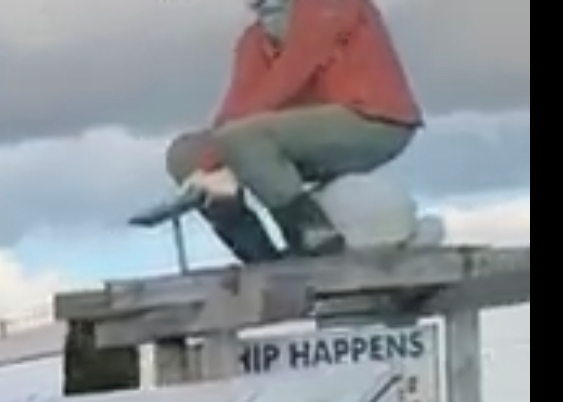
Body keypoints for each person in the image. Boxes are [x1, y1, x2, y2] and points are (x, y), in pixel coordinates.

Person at [164, 0, 423, 262]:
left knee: (242, 138)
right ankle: (259, 257)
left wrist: (213, 159)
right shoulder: (253, 40)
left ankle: (314, 236)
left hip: (374, 122)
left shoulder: (334, 7)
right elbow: (237, 104)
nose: (267, 11)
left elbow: (289, 76)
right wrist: (204, 166)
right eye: (261, 7)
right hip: (302, 133)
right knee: (184, 154)